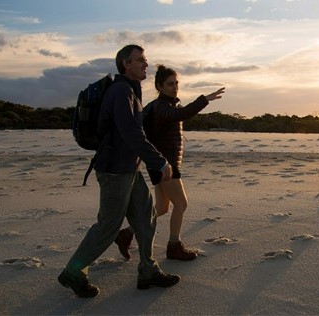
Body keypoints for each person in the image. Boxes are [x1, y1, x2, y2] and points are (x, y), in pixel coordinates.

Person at [58, 44, 180, 298]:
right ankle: (73, 271)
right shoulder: (121, 92)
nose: (146, 64)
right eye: (140, 60)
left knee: (146, 218)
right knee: (109, 226)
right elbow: (132, 134)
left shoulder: (131, 91)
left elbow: (137, 133)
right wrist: (159, 161)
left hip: (129, 169)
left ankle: (148, 270)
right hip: (114, 171)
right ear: (126, 63)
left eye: (145, 60)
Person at [114, 65, 225, 261]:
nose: (175, 87)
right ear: (159, 86)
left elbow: (178, 115)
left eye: (176, 83)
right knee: (181, 204)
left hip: (161, 163)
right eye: (170, 84)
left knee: (163, 208)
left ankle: (126, 233)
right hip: (165, 164)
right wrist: (204, 100)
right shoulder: (161, 107)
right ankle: (174, 245)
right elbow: (180, 115)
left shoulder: (166, 106)